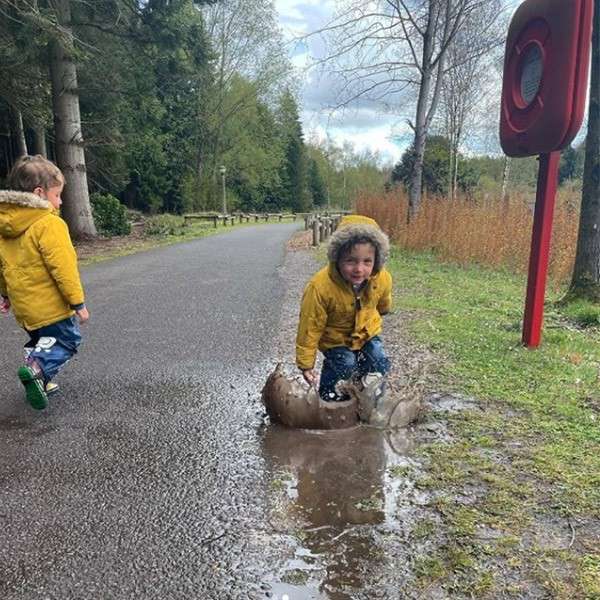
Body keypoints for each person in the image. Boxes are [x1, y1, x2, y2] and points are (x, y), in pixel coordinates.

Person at [0, 155, 89, 410]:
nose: (59, 202)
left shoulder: (5, 228)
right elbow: (63, 268)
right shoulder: (49, 224)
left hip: (25, 307)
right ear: (40, 193)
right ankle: (37, 369)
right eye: (57, 195)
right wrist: (77, 302)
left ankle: (41, 379)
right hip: (51, 307)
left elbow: (3, 266)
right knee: (66, 341)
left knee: (40, 341)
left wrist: (5, 296)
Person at [296, 215, 392, 401]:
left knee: (378, 359)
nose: (359, 269)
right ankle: (328, 395)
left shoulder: (382, 278)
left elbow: (383, 301)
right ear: (337, 258)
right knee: (345, 363)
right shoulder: (320, 287)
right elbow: (310, 325)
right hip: (335, 339)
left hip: (366, 332)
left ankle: (369, 395)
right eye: (350, 261)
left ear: (376, 261)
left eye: (367, 262)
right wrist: (306, 364)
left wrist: (384, 308)